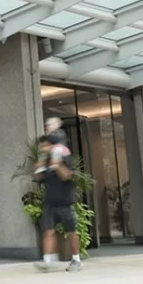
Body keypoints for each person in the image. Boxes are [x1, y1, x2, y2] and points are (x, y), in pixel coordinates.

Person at [34, 117, 81, 273]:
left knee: (71, 231)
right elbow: (39, 179)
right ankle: (46, 262)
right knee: (48, 231)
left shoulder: (64, 156)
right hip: (49, 202)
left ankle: (76, 259)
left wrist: (57, 164)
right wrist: (40, 166)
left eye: (45, 146)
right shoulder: (45, 160)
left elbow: (67, 176)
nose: (42, 148)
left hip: (65, 202)